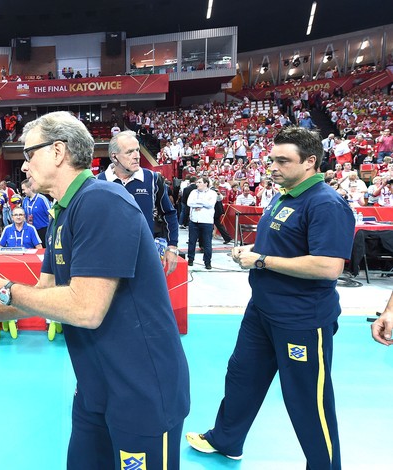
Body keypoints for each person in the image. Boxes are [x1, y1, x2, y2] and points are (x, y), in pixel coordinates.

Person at [0, 111, 189, 470]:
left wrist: (4, 288)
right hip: (95, 387)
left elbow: (86, 309)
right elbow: (46, 293)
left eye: (28, 153)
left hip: (140, 388)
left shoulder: (101, 201)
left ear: (57, 151)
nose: (22, 166)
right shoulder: (62, 213)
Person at [186, 126, 355, 469]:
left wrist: (261, 260)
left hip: (301, 319)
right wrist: (256, 250)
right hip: (262, 311)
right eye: (271, 159)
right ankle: (226, 440)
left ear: (310, 162)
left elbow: (327, 266)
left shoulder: (326, 203)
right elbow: (285, 244)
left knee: (308, 400)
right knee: (241, 377)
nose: (273, 167)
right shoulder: (283, 194)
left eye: (282, 160)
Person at [98, 130, 180, 274]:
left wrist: (172, 246)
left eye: (137, 150)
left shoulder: (152, 179)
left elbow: (169, 213)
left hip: (143, 257)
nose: (137, 156)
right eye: (129, 152)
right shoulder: (98, 182)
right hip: (108, 257)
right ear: (114, 157)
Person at [186, 176, 216, 269]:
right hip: (194, 221)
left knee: (207, 243)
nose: (197, 184)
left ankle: (207, 262)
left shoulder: (212, 193)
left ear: (205, 183)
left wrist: (198, 203)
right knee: (192, 241)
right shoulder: (193, 192)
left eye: (199, 182)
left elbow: (210, 204)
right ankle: (190, 259)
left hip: (207, 221)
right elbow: (189, 203)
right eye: (197, 182)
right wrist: (203, 204)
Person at [20, 178, 51, 244]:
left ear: (30, 188)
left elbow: (51, 214)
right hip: (30, 230)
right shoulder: (25, 200)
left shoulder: (42, 199)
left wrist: (51, 230)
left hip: (42, 230)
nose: (23, 192)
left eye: (23, 189)